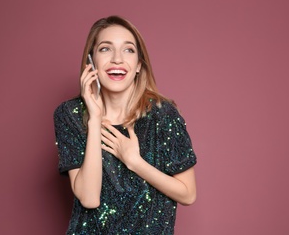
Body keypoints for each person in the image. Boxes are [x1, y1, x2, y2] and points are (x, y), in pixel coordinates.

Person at [54, 15, 197, 234]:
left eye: (128, 50)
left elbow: (188, 194)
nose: (117, 59)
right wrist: (94, 119)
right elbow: (89, 198)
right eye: (105, 49)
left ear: (139, 65)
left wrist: (135, 162)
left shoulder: (163, 115)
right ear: (91, 61)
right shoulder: (70, 114)